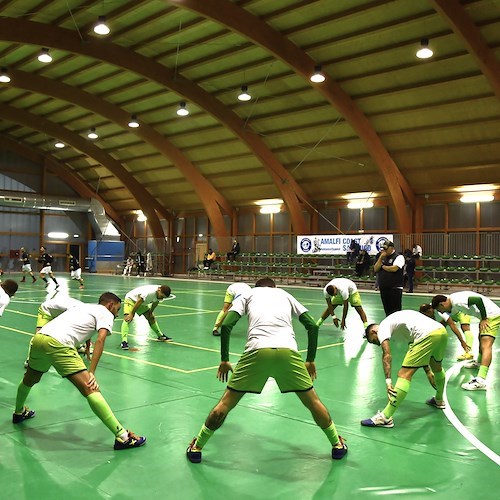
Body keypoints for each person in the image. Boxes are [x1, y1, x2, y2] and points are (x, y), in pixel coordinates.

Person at [186, 277, 347, 463]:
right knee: (313, 402)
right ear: (274, 287)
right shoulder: (285, 294)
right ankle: (337, 445)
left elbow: (227, 324)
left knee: (226, 403)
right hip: (288, 351)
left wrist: (224, 360)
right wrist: (310, 360)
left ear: (257, 287)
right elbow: (312, 326)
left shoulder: (248, 294)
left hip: (257, 351)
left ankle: (197, 447)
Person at [13, 292, 146, 450]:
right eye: (117, 309)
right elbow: (101, 339)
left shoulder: (85, 307)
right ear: (110, 305)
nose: (117, 314)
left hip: (40, 337)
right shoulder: (106, 313)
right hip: (59, 343)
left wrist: (86, 344)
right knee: (90, 388)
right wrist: (91, 372)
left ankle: (19, 411)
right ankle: (123, 437)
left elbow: (82, 327)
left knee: (30, 379)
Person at [361, 310, 448, 428]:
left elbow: (387, 355)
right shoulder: (398, 324)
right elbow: (416, 347)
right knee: (437, 367)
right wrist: (428, 371)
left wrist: (388, 382)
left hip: (427, 335)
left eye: (374, 340)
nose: (378, 343)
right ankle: (439, 399)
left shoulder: (383, 328)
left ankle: (385, 417)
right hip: (441, 331)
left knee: (404, 374)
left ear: (373, 331)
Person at [432, 292, 499, 391]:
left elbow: (478, 300)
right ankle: (479, 363)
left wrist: (484, 318)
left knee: (486, 345)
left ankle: (481, 380)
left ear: (442, 304)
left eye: (440, 310)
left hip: (491, 316)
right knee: (480, 338)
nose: (441, 313)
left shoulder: (458, 301)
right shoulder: (453, 303)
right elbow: (450, 322)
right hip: (486, 316)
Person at [120, 284, 172, 349]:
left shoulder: (160, 293)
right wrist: (132, 313)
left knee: (151, 318)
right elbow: (139, 301)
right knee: (128, 318)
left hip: (142, 302)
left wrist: (151, 311)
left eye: (163, 297)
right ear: (159, 290)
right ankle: (124, 341)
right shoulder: (149, 292)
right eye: (162, 296)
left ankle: (160, 336)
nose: (162, 298)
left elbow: (156, 302)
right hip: (131, 299)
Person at [373, 241, 404, 316]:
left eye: (386, 249)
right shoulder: (382, 258)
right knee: (387, 310)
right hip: (384, 288)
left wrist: (383, 266)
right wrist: (380, 258)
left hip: (394, 288)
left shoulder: (399, 257)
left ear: (392, 248)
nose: (384, 250)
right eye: (383, 249)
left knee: (395, 311)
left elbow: (394, 269)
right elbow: (376, 269)